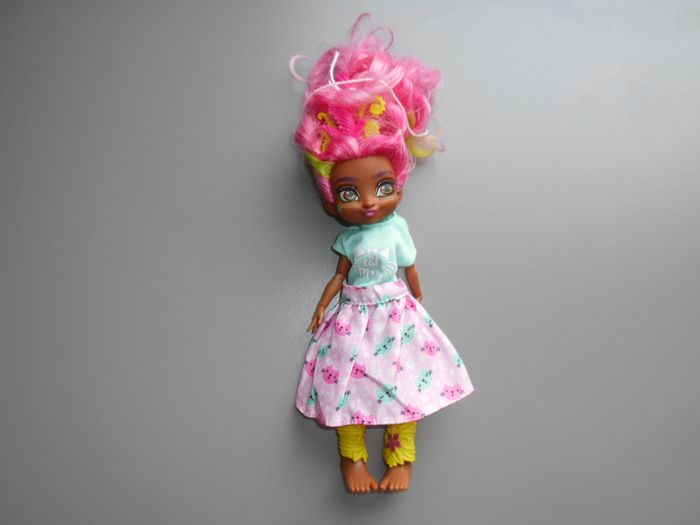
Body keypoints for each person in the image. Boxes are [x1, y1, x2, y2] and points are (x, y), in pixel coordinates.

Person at [291, 13, 474, 493]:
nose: (370, 202)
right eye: (350, 193)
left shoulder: (397, 230)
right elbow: (340, 274)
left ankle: (401, 459)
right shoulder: (350, 239)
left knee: (405, 384)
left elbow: (410, 266)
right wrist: (321, 306)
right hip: (352, 316)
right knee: (345, 385)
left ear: (400, 185)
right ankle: (352, 459)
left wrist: (417, 299)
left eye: (384, 186)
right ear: (332, 201)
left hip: (396, 313)